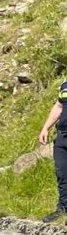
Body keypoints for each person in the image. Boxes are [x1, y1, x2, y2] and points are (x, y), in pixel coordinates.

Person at [37, 81, 67, 222]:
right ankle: (63, 209)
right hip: (62, 137)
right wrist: (45, 128)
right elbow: (59, 106)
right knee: (62, 174)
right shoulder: (65, 85)